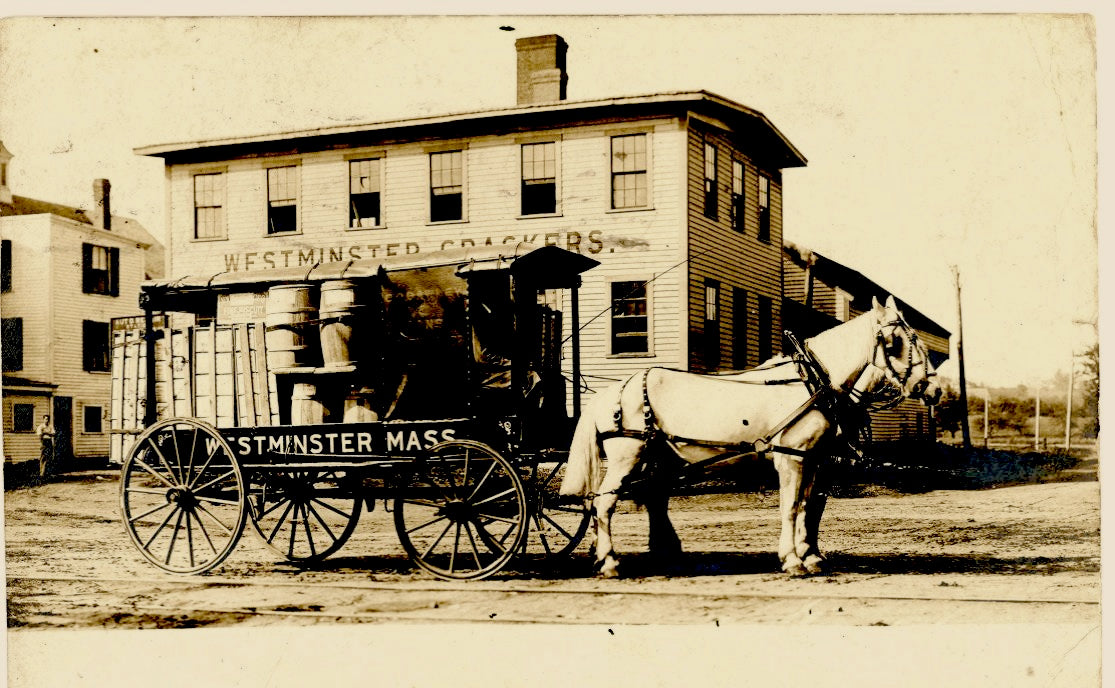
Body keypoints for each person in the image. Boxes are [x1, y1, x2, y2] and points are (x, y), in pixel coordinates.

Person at [36, 414, 54, 479]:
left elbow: (53, 434)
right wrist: (41, 444)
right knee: (42, 457)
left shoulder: (50, 426)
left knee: (48, 457)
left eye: (48, 419)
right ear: (43, 419)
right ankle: (41, 473)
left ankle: (46, 472)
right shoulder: (41, 426)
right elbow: (40, 435)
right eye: (46, 419)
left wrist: (45, 433)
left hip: (49, 442)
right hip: (43, 442)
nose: (47, 420)